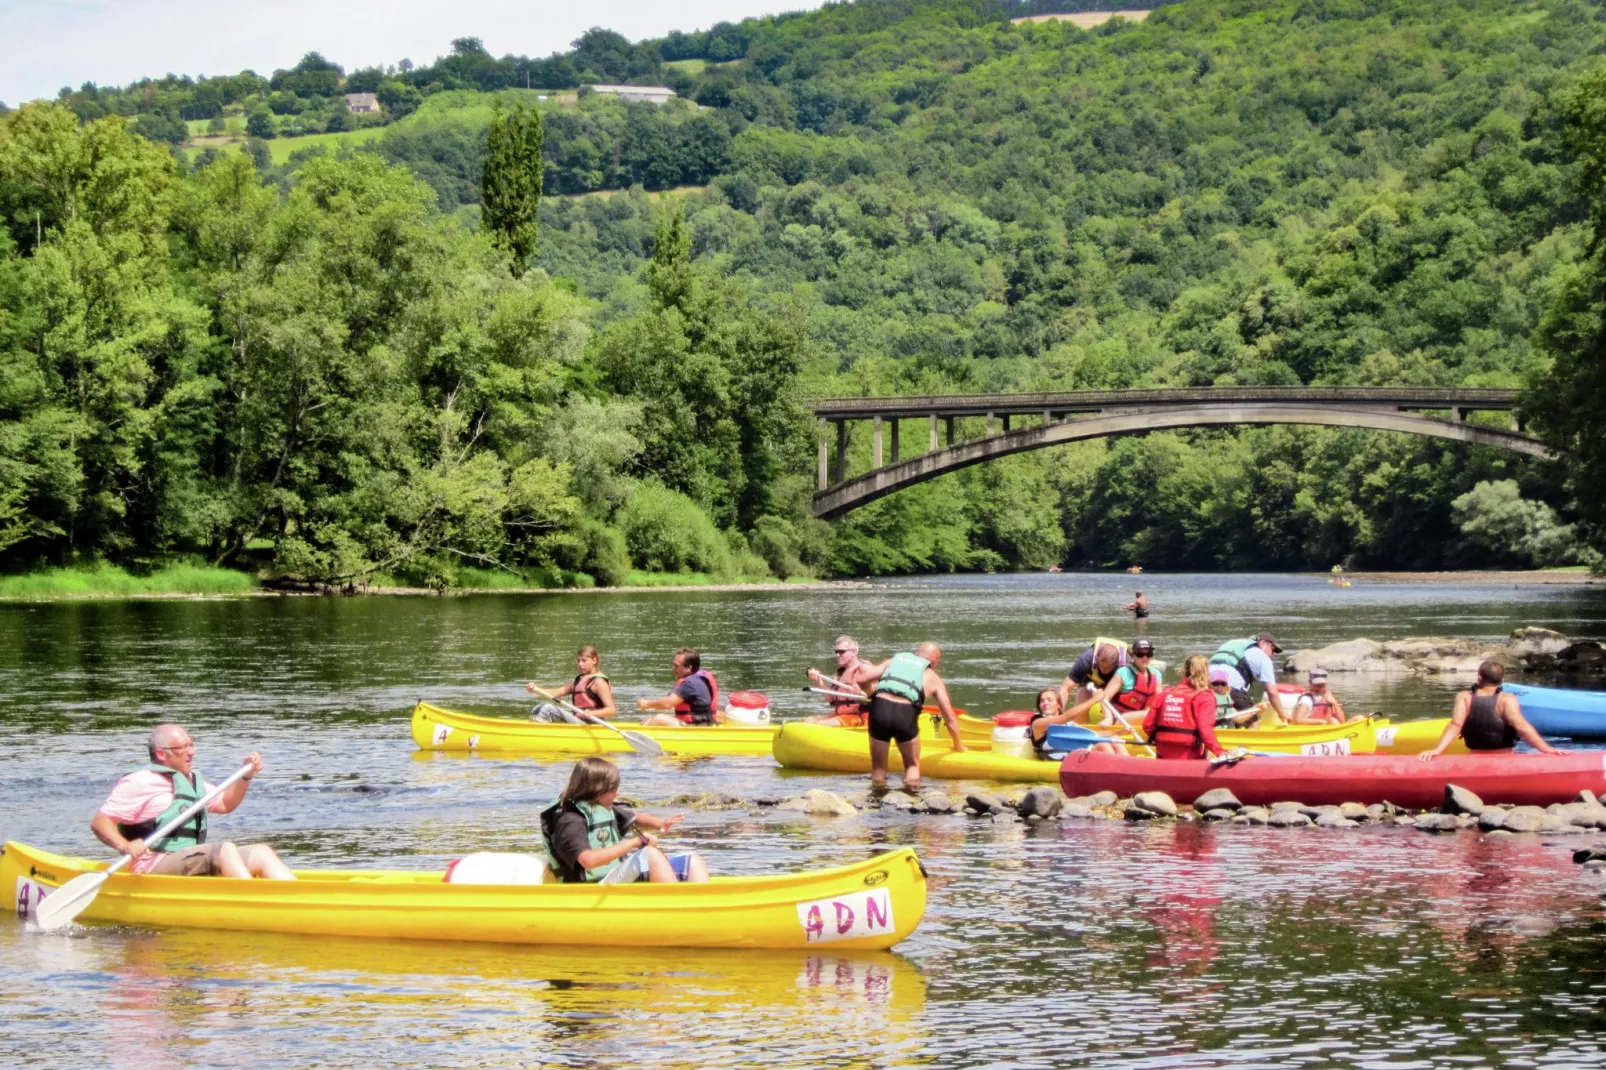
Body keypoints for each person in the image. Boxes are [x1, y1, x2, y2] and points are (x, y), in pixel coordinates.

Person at [90, 724, 295, 879]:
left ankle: (295, 900)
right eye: (182, 747)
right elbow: (100, 822)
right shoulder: (140, 781)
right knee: (224, 850)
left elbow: (226, 804)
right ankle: (254, 902)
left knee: (261, 852)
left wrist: (246, 776)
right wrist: (124, 846)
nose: (191, 752)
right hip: (153, 865)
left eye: (191, 745)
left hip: (188, 860)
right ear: (161, 754)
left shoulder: (191, 781)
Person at [540, 757, 709, 883]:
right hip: (589, 888)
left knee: (692, 861)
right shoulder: (570, 821)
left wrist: (660, 824)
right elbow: (588, 860)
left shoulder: (601, 807)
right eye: (613, 789)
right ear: (597, 791)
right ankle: (679, 910)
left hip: (614, 876)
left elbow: (634, 816)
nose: (618, 794)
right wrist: (634, 843)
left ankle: (702, 908)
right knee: (649, 855)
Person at [856, 642, 965, 791]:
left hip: (879, 709)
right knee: (912, 765)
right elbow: (949, 717)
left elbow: (861, 680)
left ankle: (876, 803)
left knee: (878, 769)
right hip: (905, 713)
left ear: (916, 653)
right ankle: (911, 801)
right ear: (934, 661)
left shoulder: (893, 661)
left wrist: (871, 693)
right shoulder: (932, 677)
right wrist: (958, 745)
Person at [1419, 661, 1566, 762]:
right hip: (1506, 758)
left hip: (1474, 758)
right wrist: (1547, 749)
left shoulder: (1464, 697)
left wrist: (1437, 750)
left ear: (1479, 677)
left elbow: (1456, 724)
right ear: (1502, 679)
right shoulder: (1507, 699)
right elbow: (1521, 726)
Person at [1143, 656, 1232, 762]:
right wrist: (1219, 752)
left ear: (1184, 671)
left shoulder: (1165, 694)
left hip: (1163, 754)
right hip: (1189, 756)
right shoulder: (1204, 697)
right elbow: (1205, 730)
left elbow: (1147, 725)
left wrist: (1162, 739)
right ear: (1206, 674)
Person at [1066, 638, 1162, 728]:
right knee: (1149, 715)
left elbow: (1159, 702)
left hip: (1138, 720)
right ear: (1133, 655)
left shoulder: (1156, 675)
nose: (1145, 658)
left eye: (1149, 654)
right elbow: (1104, 697)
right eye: (1140, 654)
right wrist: (1108, 718)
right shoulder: (1123, 672)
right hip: (1120, 718)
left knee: (1157, 713)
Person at [1208, 633, 1289, 723]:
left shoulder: (1235, 644)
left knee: (1223, 715)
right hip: (1230, 686)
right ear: (1263, 643)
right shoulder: (1262, 657)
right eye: (1272, 650)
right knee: (1254, 721)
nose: (1272, 655)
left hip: (1208, 685)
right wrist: (1282, 714)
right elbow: (1272, 692)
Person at [527, 646, 617, 722]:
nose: (580, 664)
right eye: (578, 661)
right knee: (538, 708)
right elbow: (557, 692)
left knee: (547, 709)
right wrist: (536, 689)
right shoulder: (578, 682)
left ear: (594, 660)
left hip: (591, 725)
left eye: (584, 661)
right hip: (577, 722)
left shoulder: (599, 682)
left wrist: (592, 713)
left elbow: (611, 710)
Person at [639, 648, 722, 726]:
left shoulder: (690, 684)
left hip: (696, 729)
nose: (673, 669)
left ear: (689, 667)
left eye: (677, 666)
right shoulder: (699, 679)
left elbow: (667, 704)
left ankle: (639, 736)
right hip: (704, 724)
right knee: (652, 718)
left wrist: (646, 704)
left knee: (659, 718)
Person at [1029, 688, 1122, 757]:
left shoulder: (1067, 723)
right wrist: (1094, 699)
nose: (1045, 703)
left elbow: (1089, 735)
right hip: (1056, 757)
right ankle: (1119, 772)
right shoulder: (1038, 722)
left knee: (1115, 739)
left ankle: (1128, 767)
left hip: (1071, 752)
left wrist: (1118, 732)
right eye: (1042, 701)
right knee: (1102, 745)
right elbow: (1067, 716)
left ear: (1058, 705)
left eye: (1050, 700)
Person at [806, 635, 875, 727]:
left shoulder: (865, 668)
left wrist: (863, 692)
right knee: (810, 720)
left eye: (841, 652)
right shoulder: (839, 673)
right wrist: (818, 680)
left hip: (859, 717)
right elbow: (831, 699)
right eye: (836, 652)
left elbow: (879, 692)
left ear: (853, 652)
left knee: (822, 724)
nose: (837, 655)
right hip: (842, 716)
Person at [1058, 638, 1130, 713]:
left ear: (1116, 663)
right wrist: (1059, 713)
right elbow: (1065, 687)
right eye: (1101, 666)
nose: (1103, 670)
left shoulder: (1127, 665)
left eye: (1107, 668)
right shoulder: (1086, 660)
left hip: (1116, 682)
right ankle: (1081, 722)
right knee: (1082, 699)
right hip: (1091, 679)